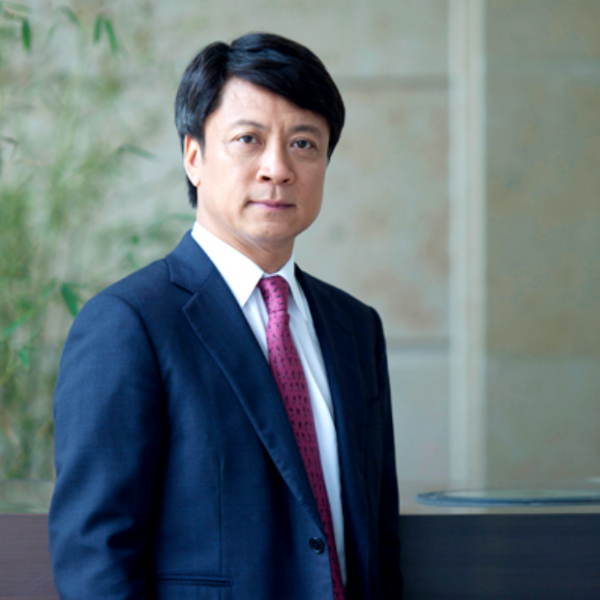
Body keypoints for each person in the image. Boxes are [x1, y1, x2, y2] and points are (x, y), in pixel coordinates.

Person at [49, 32, 402, 600]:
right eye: (247, 139)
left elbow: (378, 541)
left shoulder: (355, 327)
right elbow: (95, 556)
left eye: (304, 144)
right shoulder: (128, 323)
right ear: (194, 157)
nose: (277, 169)